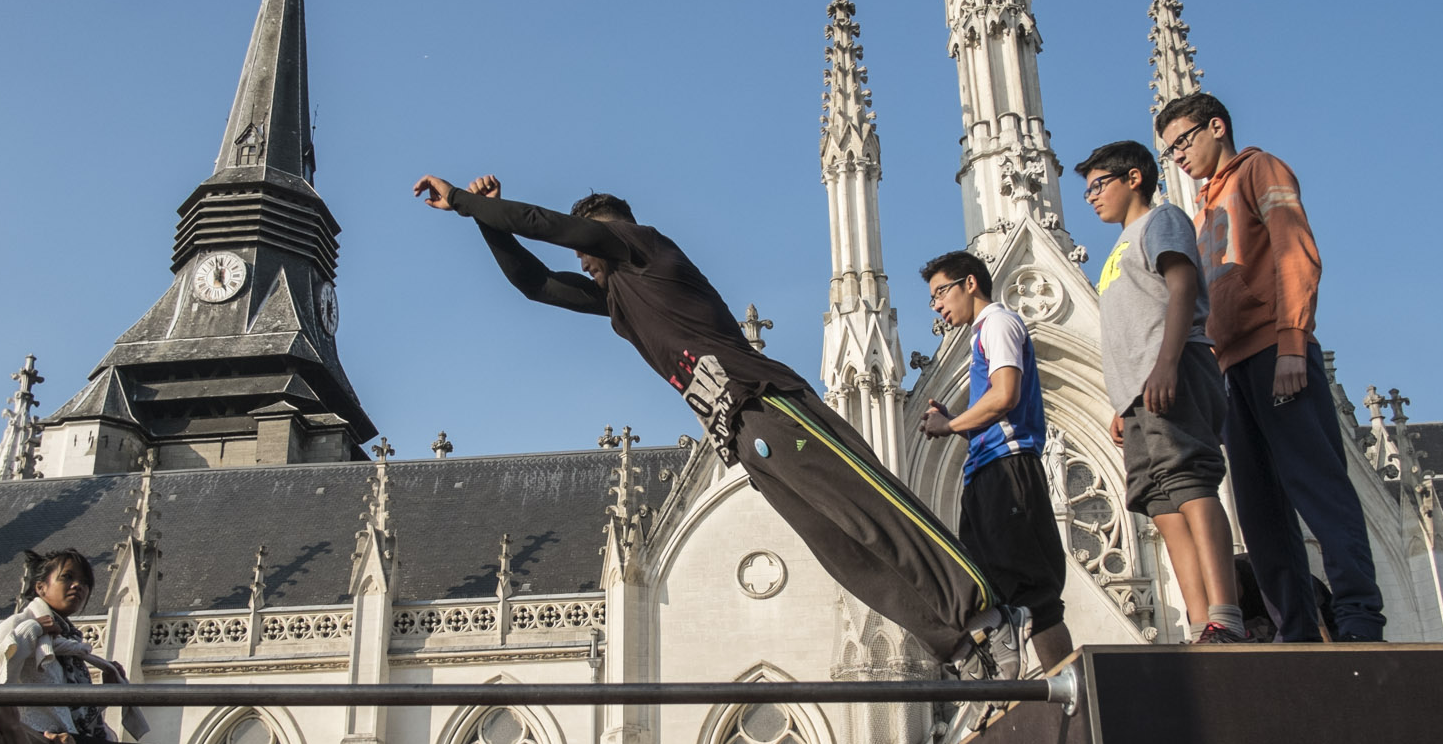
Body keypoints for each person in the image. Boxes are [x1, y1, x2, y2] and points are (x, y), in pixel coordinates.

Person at [411, 173, 1030, 679]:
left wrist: (466, 202)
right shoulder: (620, 298)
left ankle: (986, 615)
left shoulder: (641, 247)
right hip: (738, 432)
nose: (584, 261)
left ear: (609, 232)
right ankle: (955, 648)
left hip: (766, 400)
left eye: (588, 249)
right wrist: (483, 223)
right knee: (840, 548)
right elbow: (535, 284)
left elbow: (550, 226)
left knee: (868, 510)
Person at [1155, 93, 1385, 642]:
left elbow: (1294, 253)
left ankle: (1356, 618)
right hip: (1232, 370)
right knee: (1261, 517)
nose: (1179, 156)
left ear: (1217, 127)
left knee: (1319, 491)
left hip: (1274, 354)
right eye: (1170, 151)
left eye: (1184, 141)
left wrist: (1290, 343)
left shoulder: (1260, 170)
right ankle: (1295, 631)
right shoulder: (1203, 210)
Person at [1076, 139, 1246, 643]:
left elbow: (1181, 289)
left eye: (1098, 185)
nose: (1092, 198)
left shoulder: (1162, 221)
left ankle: (1226, 615)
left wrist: (1168, 364)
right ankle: (1200, 625)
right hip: (1137, 395)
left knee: (1191, 485)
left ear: (1133, 179)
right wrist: (1121, 401)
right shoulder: (1118, 249)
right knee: (1161, 503)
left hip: (1175, 370)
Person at [914, 250, 1073, 670]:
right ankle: (1000, 675)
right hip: (986, 470)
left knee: (1035, 593)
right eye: (932, 299)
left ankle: (1068, 687)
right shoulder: (982, 332)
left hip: (1007, 469)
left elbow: (1005, 396)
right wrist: (953, 421)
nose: (937, 305)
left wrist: (949, 428)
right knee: (983, 585)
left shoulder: (998, 323)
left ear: (970, 283)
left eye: (941, 292)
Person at [0, 549, 170, 744]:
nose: (78, 586)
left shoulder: (70, 643)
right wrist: (31, 630)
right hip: (37, 734)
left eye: (84, 582)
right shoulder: (20, 623)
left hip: (68, 736)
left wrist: (107, 694)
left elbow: (74, 716)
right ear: (41, 587)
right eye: (67, 577)